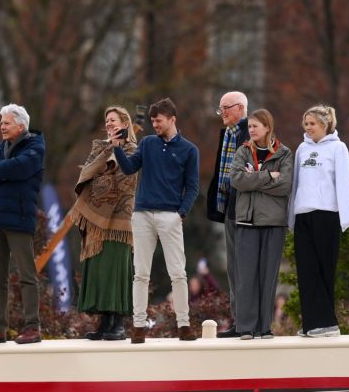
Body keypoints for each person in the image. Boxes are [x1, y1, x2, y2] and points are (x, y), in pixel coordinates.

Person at [113, 97, 199, 344]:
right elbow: (129, 168)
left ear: (172, 119)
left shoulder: (189, 150)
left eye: (158, 121)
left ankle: (184, 324)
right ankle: (138, 326)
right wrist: (118, 148)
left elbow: (192, 186)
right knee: (140, 273)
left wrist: (181, 212)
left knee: (178, 273)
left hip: (170, 215)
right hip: (142, 215)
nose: (155, 125)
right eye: (152, 121)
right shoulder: (148, 143)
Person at [0, 104, 45, 345]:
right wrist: (3, 172)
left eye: (6, 123)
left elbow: (22, 167)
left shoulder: (35, 145)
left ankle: (32, 326)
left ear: (21, 125)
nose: (1, 126)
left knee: (27, 275)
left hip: (19, 218)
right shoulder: (0, 148)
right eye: (1, 123)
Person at [71, 106, 138, 341]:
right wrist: (101, 173)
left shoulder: (133, 151)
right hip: (96, 223)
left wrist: (100, 181)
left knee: (115, 271)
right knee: (99, 270)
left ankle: (117, 323)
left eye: (113, 120)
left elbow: (125, 182)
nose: (108, 124)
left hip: (120, 221)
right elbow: (86, 177)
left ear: (125, 123)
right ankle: (104, 323)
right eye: (106, 120)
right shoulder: (100, 149)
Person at [288, 104, 349, 337]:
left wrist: (345, 217)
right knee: (306, 269)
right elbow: (296, 184)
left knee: (325, 268)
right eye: (305, 124)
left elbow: (343, 183)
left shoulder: (338, 148)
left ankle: (328, 324)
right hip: (303, 215)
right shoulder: (301, 150)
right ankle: (312, 324)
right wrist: (291, 217)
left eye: (312, 123)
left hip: (327, 215)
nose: (308, 128)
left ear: (324, 124)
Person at [229, 109, 293, 339]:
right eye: (250, 126)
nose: (251, 130)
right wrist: (268, 176)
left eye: (255, 126)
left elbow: (285, 185)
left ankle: (263, 327)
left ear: (267, 127)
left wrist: (253, 177)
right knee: (246, 277)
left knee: (268, 277)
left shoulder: (284, 153)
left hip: (273, 223)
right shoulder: (243, 151)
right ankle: (246, 327)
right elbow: (236, 179)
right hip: (246, 222)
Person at [206, 91, 249, 338]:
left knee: (243, 268)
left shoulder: (250, 133)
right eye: (220, 108)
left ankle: (246, 322)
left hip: (244, 211)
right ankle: (238, 320)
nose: (222, 112)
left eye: (226, 108)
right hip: (229, 210)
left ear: (241, 109)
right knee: (233, 269)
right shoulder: (227, 134)